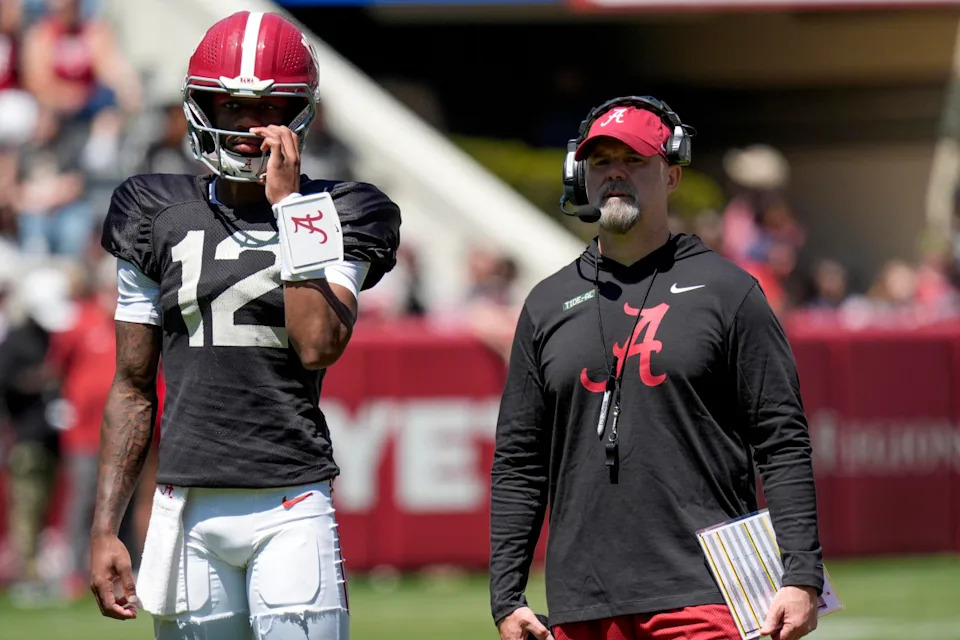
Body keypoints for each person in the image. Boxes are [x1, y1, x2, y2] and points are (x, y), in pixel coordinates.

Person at [88, 11, 401, 640]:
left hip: (290, 501)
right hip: (184, 506)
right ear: (199, 106)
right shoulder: (152, 209)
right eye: (226, 104)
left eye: (266, 108)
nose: (244, 125)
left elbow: (317, 345)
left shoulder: (344, 210)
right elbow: (130, 385)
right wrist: (104, 528)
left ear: (300, 114)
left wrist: (290, 212)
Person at [489, 97, 823, 640]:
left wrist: (801, 572)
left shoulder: (729, 292)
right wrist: (506, 595)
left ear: (671, 174)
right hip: (581, 604)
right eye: (601, 161)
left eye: (635, 159)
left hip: (710, 596)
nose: (616, 172)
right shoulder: (546, 304)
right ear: (580, 175)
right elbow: (519, 462)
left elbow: (782, 440)